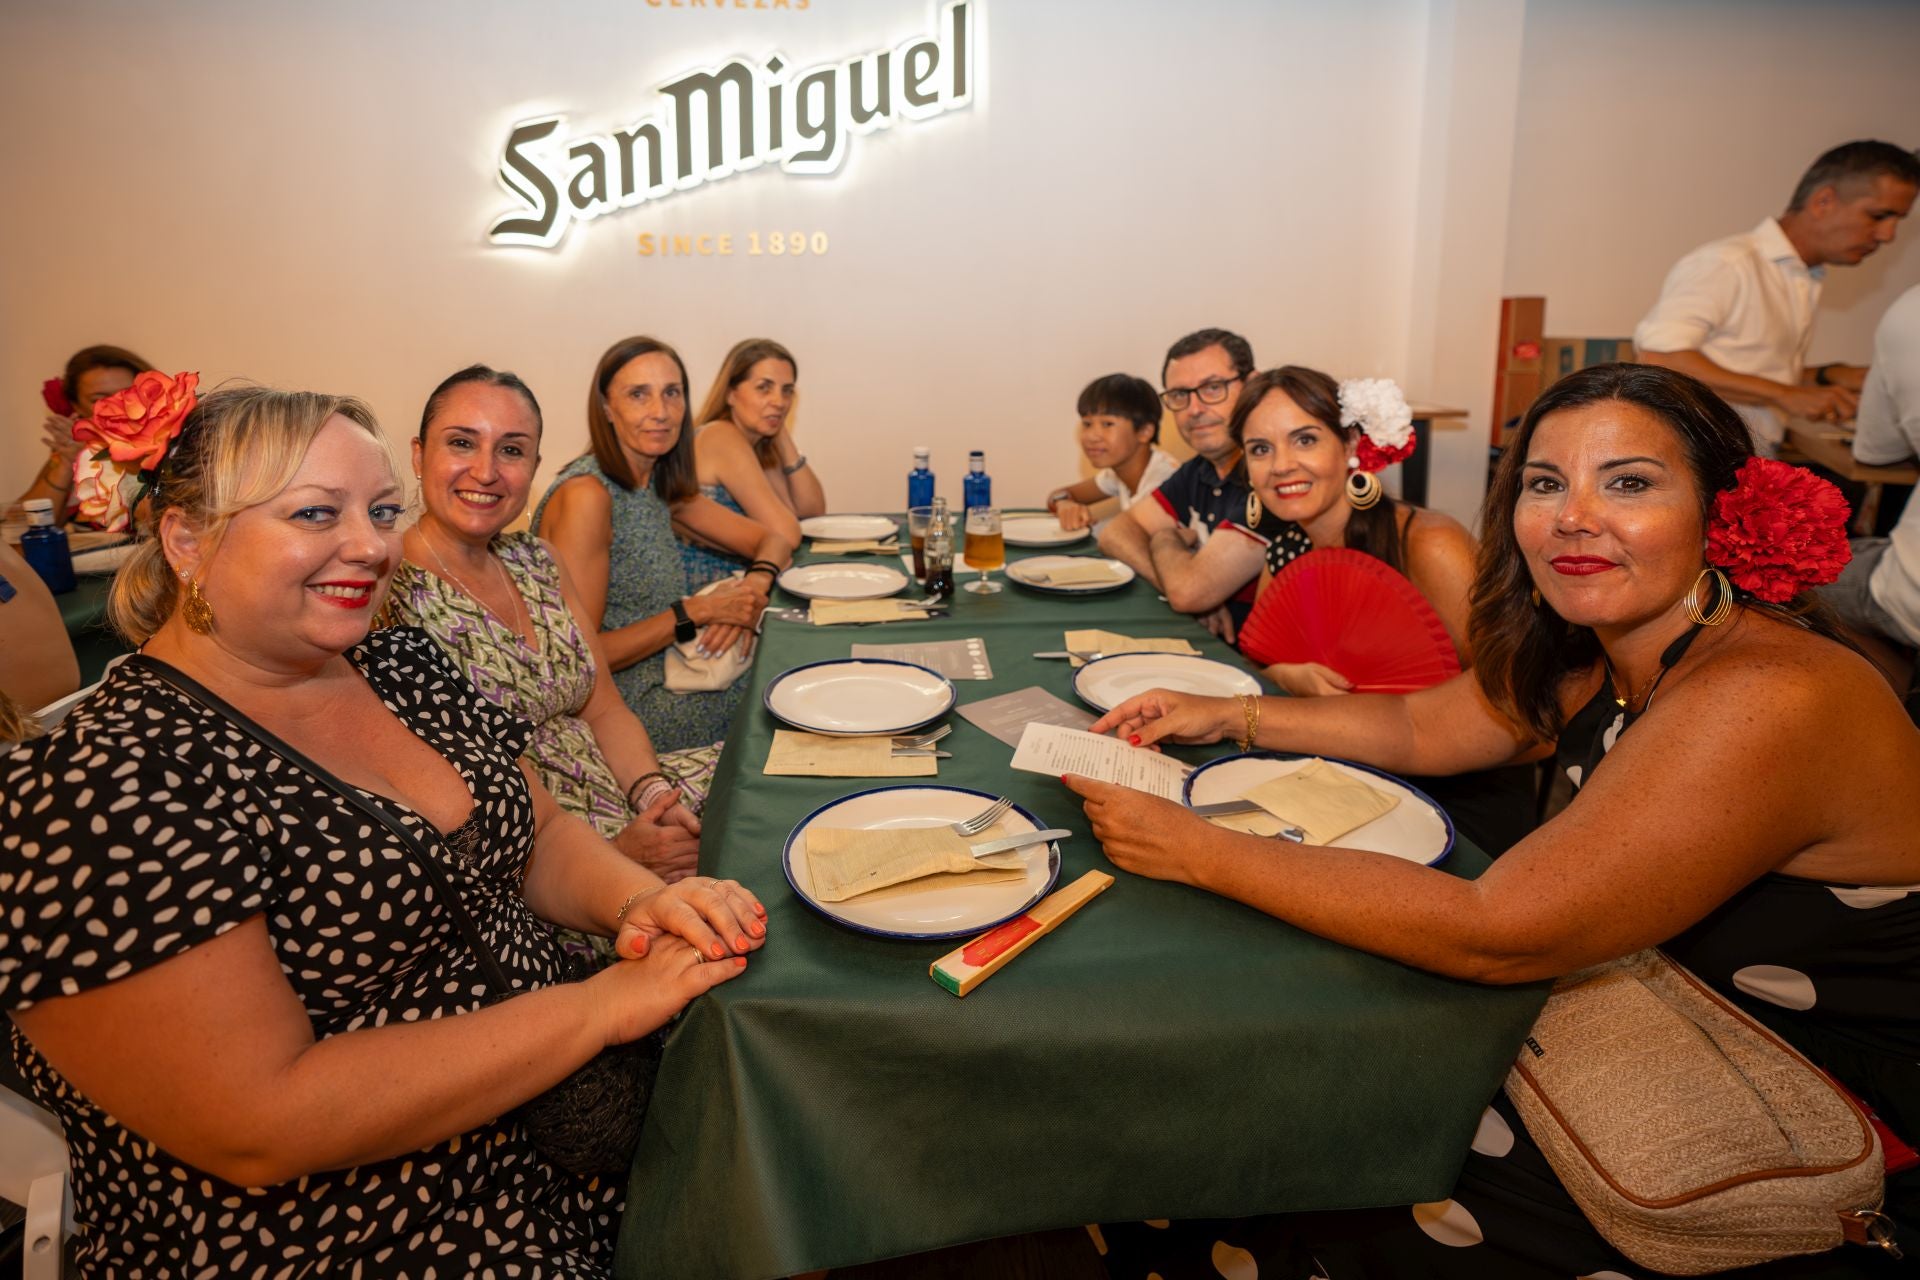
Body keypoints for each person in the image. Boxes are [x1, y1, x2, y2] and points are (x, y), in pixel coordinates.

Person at [1070, 363, 1919, 1276]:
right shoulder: (1612, 650)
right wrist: (1226, 713)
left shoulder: (1768, 692)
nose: (1573, 516)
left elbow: (1496, 932)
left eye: (1628, 482)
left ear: (1724, 510)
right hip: (1651, 1026)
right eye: (1545, 484)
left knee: (1307, 1153)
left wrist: (1199, 849)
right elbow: (1420, 723)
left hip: (1804, 1115)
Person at [0, 383, 770, 1277]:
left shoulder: (395, 660)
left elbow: (539, 831)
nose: (371, 545)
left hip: (558, 1143)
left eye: (380, 511)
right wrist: (597, 1008)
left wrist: (644, 900)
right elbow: (262, 1120)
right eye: (317, 513)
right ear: (186, 540)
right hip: (370, 1230)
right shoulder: (101, 788)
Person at [387, 365, 707, 892]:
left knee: (767, 785)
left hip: (618, 789)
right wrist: (610, 856)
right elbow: (430, 801)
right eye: (463, 443)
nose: (486, 471)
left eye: (511, 451)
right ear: (420, 456)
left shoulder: (538, 560)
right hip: (533, 861)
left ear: (535, 465)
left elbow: (603, 707)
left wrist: (653, 796)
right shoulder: (387, 587)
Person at [1231, 365, 1534, 854]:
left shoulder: (1429, 545)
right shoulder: (1286, 551)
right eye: (1260, 449)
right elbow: (1260, 657)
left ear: (1351, 445)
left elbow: (1527, 715)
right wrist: (1288, 677)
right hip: (1336, 773)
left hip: (1457, 793)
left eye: (1304, 440)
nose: (1281, 464)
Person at [535, 336, 792, 753]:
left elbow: (775, 540)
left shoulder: (655, 485)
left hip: (673, 673)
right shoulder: (589, 495)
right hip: (623, 710)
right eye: (639, 394)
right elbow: (579, 658)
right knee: (781, 692)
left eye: (672, 393)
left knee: (788, 663)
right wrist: (698, 610)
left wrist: (750, 592)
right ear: (606, 408)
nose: (660, 412)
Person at [1635, 140, 1920, 454]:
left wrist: (1827, 375)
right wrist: (1785, 394)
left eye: (1897, 221)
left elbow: (1746, 363)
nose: (1888, 235)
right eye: (1878, 216)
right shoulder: (1728, 263)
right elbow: (1659, 357)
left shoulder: (1802, 275)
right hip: (1705, 461)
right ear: (1823, 201)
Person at [1097, 328, 1271, 640]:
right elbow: (1115, 534)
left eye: (1213, 387)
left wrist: (1165, 538)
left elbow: (1188, 592)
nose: (1194, 409)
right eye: (1180, 395)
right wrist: (1182, 584)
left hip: (1255, 673)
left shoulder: (1269, 474)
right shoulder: (1199, 469)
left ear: (1253, 384)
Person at [1822, 283, 1920, 696]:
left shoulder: (1910, 310)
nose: (1885, 236)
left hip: (1911, 594)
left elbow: (1875, 452)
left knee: (1780, 578)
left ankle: (1878, 719)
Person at [684, 338, 821, 588]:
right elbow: (786, 534)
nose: (779, 401)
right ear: (730, 394)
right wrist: (774, 418)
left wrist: (781, 433)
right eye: (764, 388)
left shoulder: (756, 444)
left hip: (740, 585)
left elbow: (811, 513)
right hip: (706, 595)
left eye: (787, 391)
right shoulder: (721, 436)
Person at [11, 344, 153, 512]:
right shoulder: (75, 447)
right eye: (99, 400)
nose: (117, 407)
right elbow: (21, 527)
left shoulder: (173, 443)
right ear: (76, 406)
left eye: (127, 395)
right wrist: (67, 463)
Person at [1043, 373, 1180, 533]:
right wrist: (1064, 504)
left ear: (1144, 431)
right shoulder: (1120, 472)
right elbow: (1057, 495)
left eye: (1107, 424)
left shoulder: (1163, 484)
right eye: (1087, 424)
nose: (1092, 436)